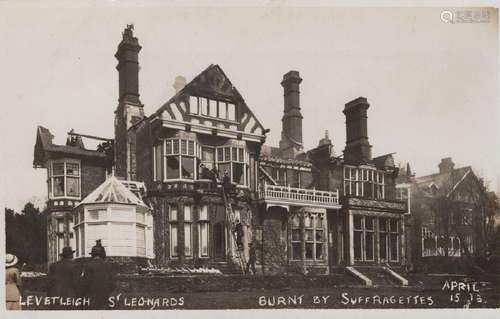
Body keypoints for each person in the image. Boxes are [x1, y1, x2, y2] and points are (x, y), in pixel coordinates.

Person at [81, 241, 115, 310]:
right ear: (102, 255)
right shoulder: (108, 266)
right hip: (105, 299)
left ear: (92, 255)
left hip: (92, 300)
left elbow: (85, 284)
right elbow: (112, 284)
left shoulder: (89, 266)